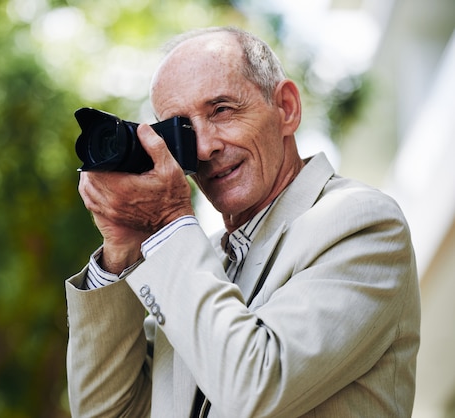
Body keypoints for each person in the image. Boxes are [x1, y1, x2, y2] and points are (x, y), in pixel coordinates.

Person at [65, 26, 420, 418]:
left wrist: (167, 221)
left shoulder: (361, 223)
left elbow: (252, 390)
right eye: (181, 129)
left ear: (286, 107)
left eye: (221, 110)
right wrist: (122, 249)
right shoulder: (197, 264)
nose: (204, 147)